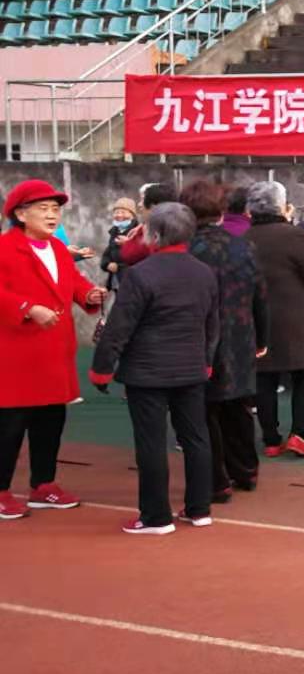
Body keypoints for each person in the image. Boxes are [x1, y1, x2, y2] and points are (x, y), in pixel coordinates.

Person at [90, 203, 219, 535]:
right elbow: (212, 324)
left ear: (155, 234)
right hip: (190, 368)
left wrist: (102, 368)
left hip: (147, 371)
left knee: (151, 443)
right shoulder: (204, 272)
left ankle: (155, 516)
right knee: (196, 438)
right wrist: (206, 361)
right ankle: (199, 508)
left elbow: (119, 326)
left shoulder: (140, 274)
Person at [0, 180, 105, 520]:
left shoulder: (58, 248)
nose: (51, 215)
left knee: (50, 421)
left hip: (54, 352)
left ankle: (43, 485)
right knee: (10, 425)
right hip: (16, 353)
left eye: (55, 209)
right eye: (43, 209)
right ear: (20, 214)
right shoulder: (4, 247)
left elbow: (73, 282)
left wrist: (88, 294)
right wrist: (27, 307)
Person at [181, 180, 269, 502]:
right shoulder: (243, 246)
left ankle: (216, 481)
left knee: (205, 411)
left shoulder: (186, 250)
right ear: (221, 210)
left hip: (199, 337)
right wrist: (262, 337)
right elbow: (260, 296)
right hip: (240, 334)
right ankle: (246, 470)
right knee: (239, 405)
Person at [246, 182, 304, 459]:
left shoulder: (245, 238)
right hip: (299, 317)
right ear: (282, 206)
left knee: (264, 378)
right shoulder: (294, 235)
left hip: (258, 319)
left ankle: (271, 439)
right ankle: (298, 434)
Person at [118, 181, 178, 266]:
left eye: (143, 200)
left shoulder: (153, 233)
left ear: (153, 207)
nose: (139, 205)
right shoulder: (179, 227)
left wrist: (127, 244)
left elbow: (130, 255)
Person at [100, 197, 139, 291]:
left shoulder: (137, 232)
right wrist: (107, 264)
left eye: (123, 212)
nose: (119, 215)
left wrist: (119, 267)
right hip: (116, 279)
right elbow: (108, 252)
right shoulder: (114, 232)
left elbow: (139, 256)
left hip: (131, 280)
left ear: (132, 215)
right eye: (117, 212)